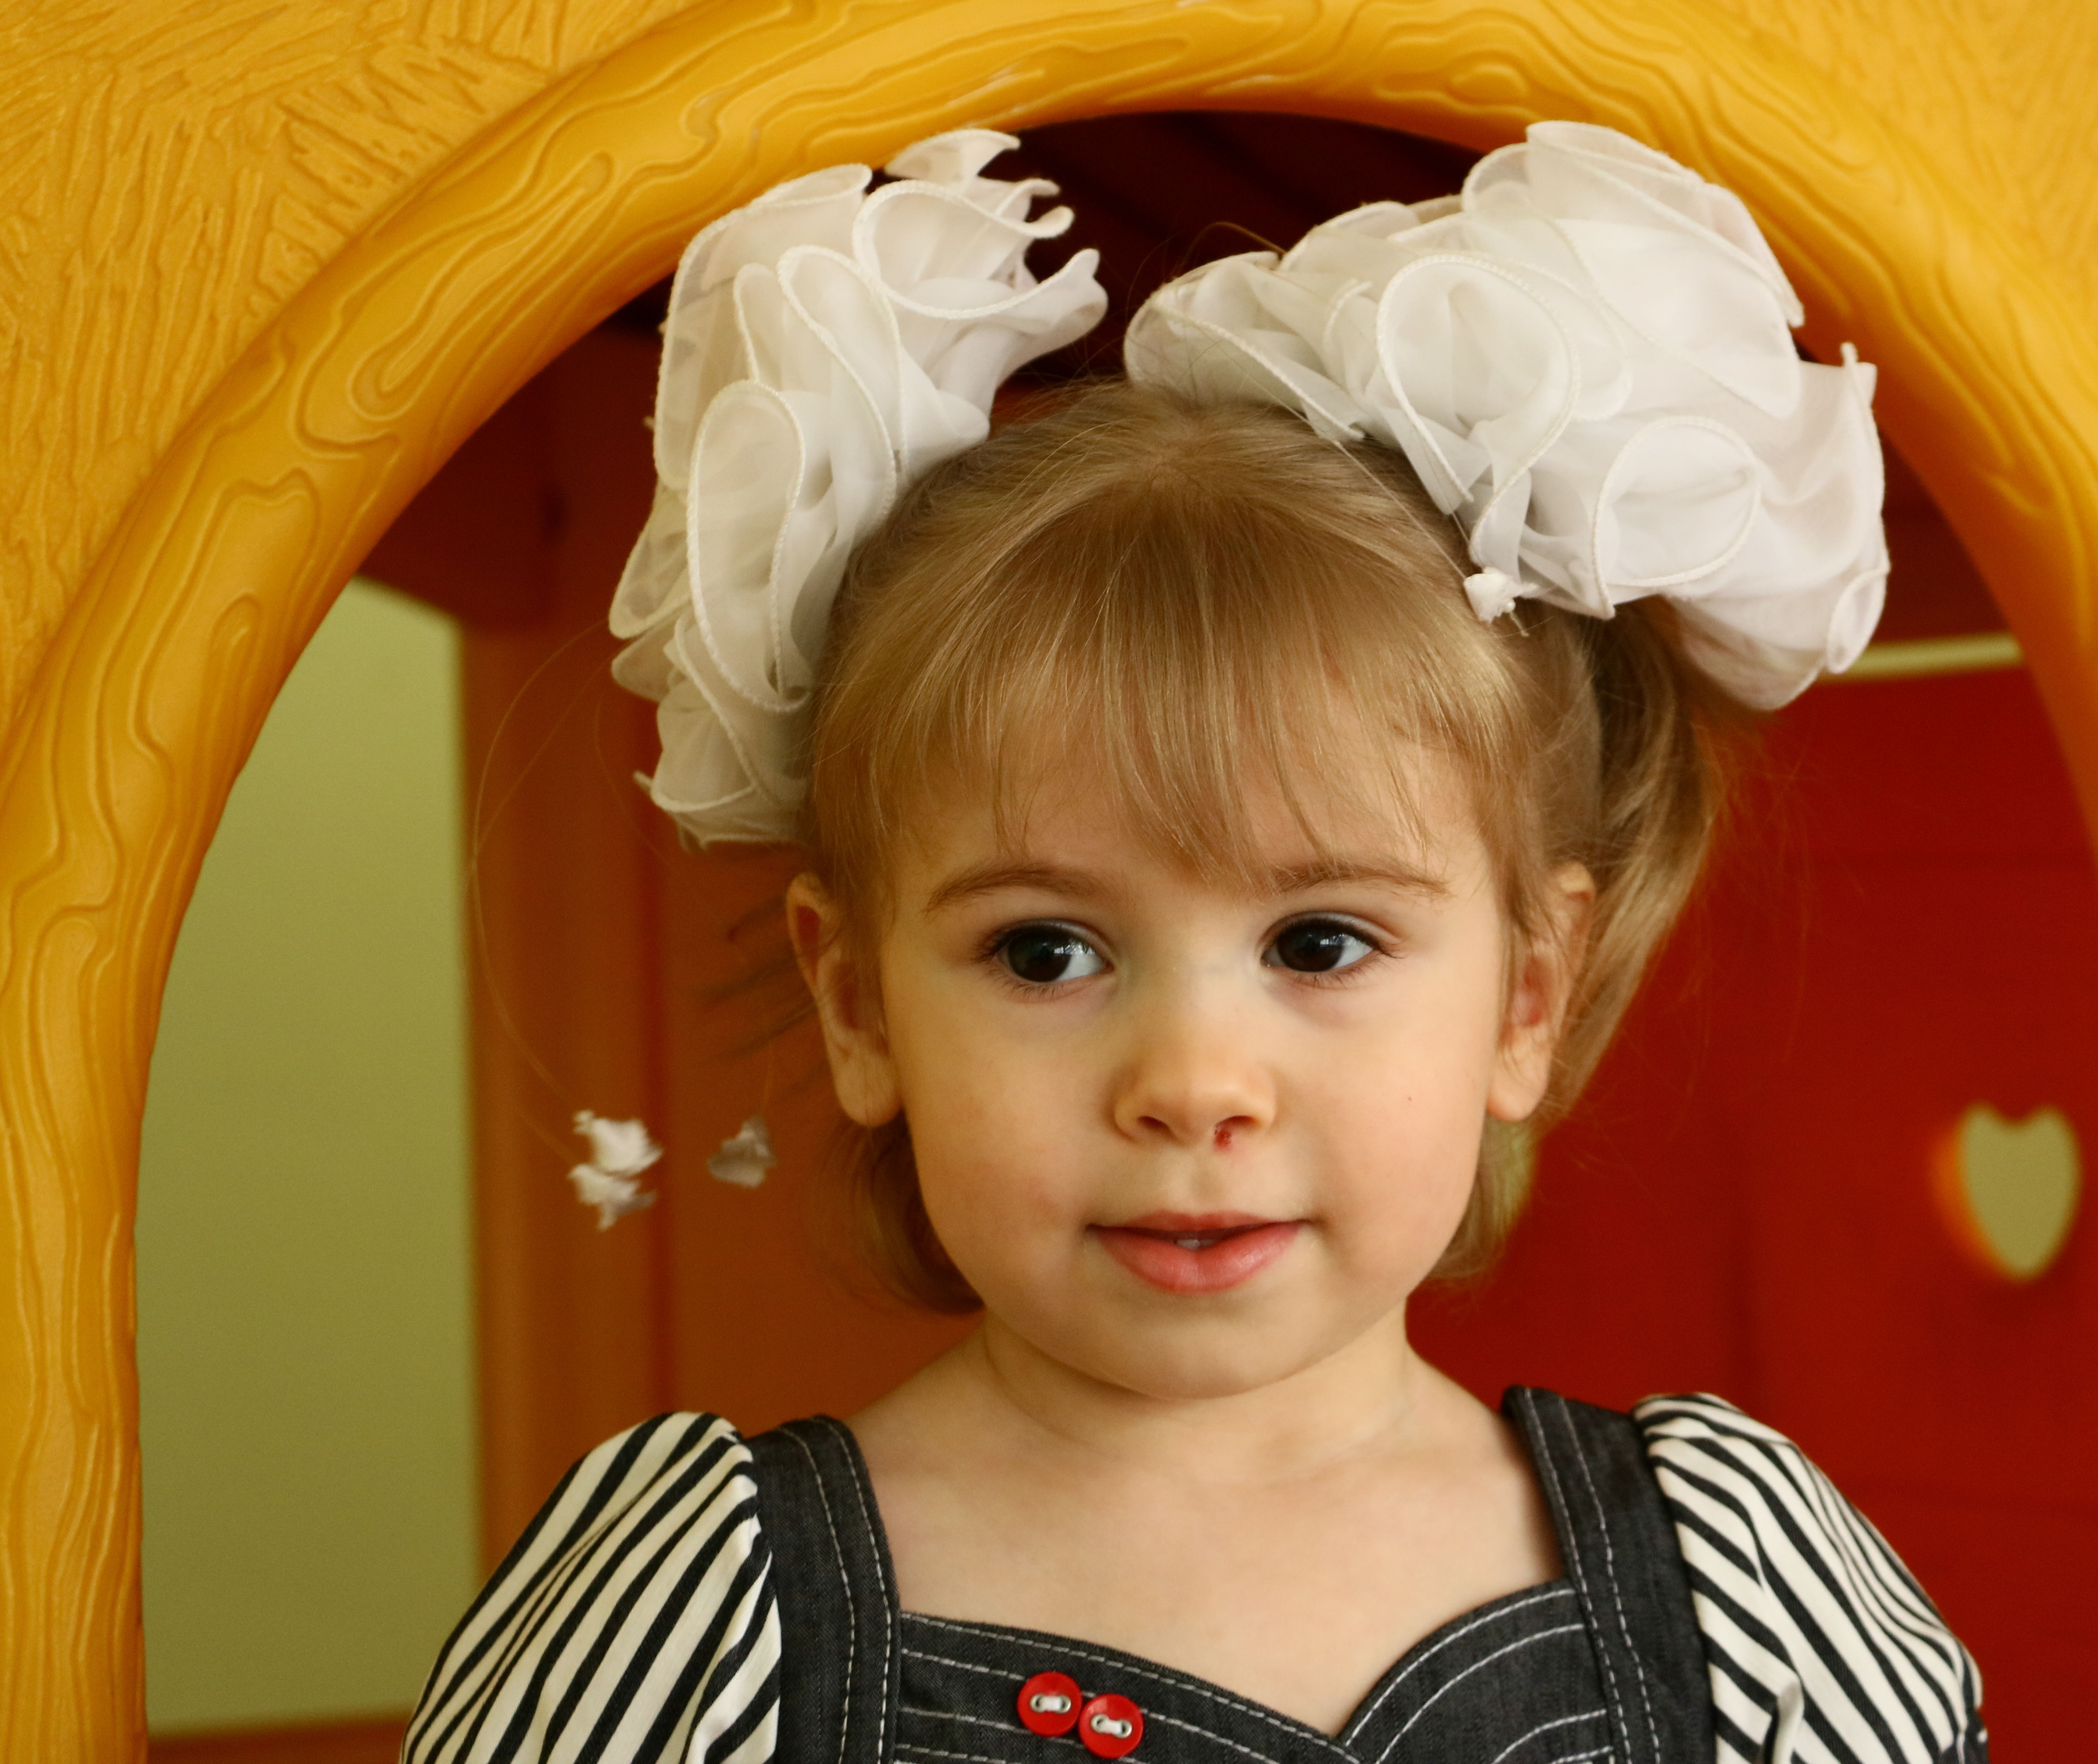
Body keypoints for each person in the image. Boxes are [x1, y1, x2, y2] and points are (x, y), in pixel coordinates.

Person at [399, 123, 1986, 1764]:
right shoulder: (712, 1629)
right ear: (857, 1003)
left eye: (1320, 943)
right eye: (1045, 954)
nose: (1194, 1083)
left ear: (1530, 994)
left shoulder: (1732, 1597)